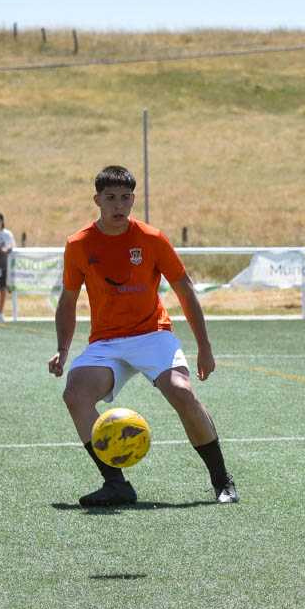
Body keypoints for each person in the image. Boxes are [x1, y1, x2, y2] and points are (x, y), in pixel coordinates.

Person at [47, 165, 237, 507]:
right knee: (75, 395)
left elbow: (185, 290)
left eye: (125, 198)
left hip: (153, 334)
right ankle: (115, 484)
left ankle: (222, 480)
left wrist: (204, 347)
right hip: (106, 343)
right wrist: (62, 349)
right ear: (97, 200)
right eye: (110, 198)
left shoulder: (152, 238)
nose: (118, 205)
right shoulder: (78, 244)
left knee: (181, 392)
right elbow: (68, 299)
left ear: (133, 199)